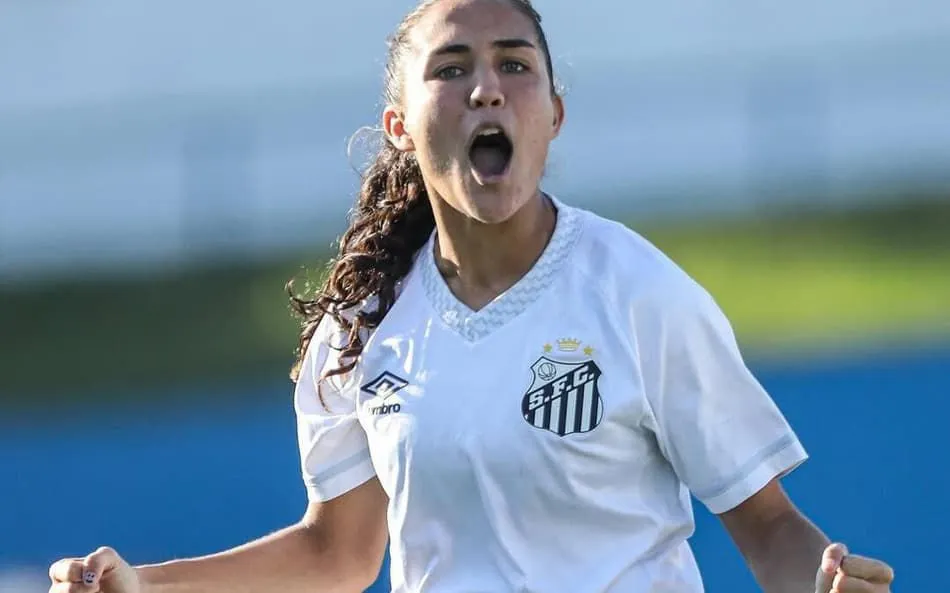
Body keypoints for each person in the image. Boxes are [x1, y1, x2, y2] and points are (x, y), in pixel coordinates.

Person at [49, 1, 896, 592]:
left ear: (553, 113)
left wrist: (825, 582)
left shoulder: (640, 294)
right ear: (401, 128)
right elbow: (337, 555)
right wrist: (146, 586)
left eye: (514, 65)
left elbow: (769, 526)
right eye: (451, 69)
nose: (486, 88)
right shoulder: (358, 331)